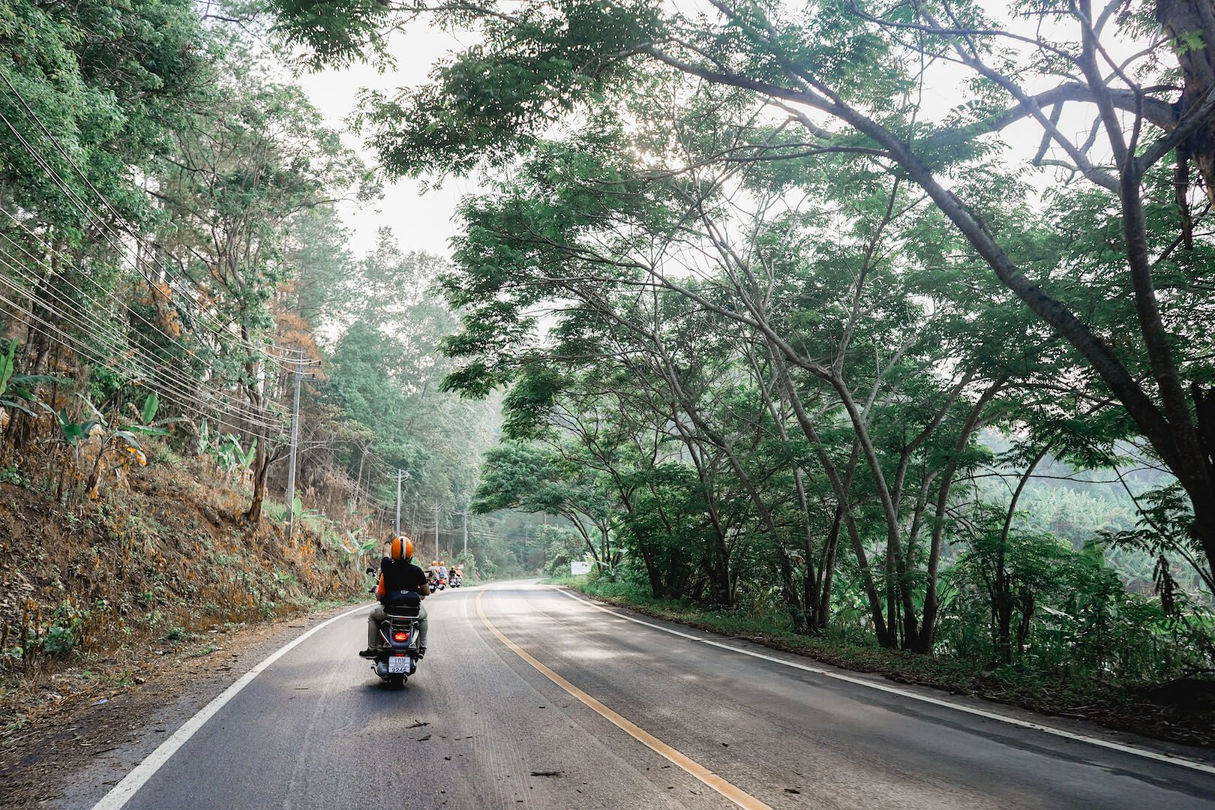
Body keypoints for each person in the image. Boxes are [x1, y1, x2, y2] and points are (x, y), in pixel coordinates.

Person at [360, 536, 429, 658]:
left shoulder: (387, 567)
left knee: (372, 616)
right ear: (410, 554)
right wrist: (415, 590)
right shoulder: (417, 570)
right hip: (413, 612)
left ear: (393, 553)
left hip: (390, 611)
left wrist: (387, 546)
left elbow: (385, 556)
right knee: (424, 617)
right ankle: (422, 647)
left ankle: (372, 649)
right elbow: (426, 591)